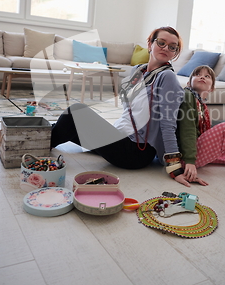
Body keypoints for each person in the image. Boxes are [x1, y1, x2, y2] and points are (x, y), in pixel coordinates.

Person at [50, 26, 186, 178]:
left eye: (173, 47)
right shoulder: (137, 71)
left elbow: (168, 123)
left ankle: (37, 144)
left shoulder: (167, 77)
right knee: (68, 127)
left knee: (75, 112)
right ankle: (36, 138)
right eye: (161, 42)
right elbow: (129, 112)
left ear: (175, 53)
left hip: (136, 151)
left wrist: (174, 166)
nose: (166, 48)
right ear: (149, 44)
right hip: (120, 136)